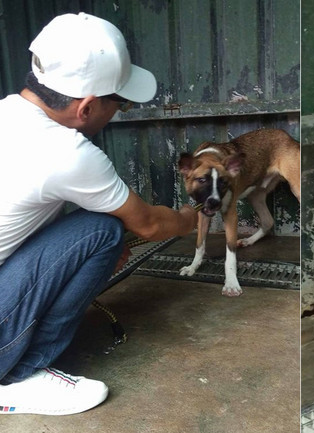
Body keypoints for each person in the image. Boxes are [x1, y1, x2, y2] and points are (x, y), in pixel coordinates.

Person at [0, 13, 198, 415]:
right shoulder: (65, 153)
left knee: (92, 239)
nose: (119, 111)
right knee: (103, 230)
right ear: (87, 107)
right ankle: (18, 376)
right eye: (119, 102)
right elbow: (150, 223)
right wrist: (191, 218)